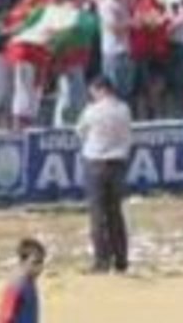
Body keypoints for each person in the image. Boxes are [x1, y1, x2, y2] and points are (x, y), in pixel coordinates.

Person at [77, 75, 132, 274]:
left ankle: (102, 261)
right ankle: (121, 259)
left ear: (98, 89)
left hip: (96, 162)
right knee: (115, 213)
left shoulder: (92, 111)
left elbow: (80, 132)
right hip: (118, 163)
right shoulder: (124, 109)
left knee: (98, 214)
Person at [0, 237, 47, 323]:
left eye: (41, 262)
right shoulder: (16, 283)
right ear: (22, 261)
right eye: (35, 262)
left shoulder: (30, 281)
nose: (39, 267)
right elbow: (3, 317)